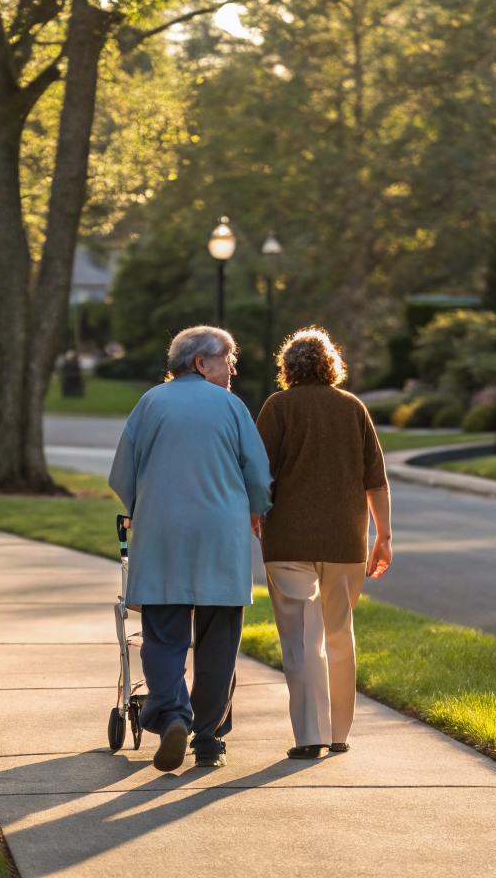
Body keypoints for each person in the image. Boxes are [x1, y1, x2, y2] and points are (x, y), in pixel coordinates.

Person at [108, 326, 272, 771]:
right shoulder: (233, 407)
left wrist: (148, 506)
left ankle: (174, 715)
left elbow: (121, 476)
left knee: (162, 637)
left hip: (162, 540)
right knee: (219, 642)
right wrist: (257, 511)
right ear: (201, 362)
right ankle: (208, 740)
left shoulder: (150, 403)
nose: (234, 367)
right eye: (228, 358)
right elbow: (258, 475)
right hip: (222, 540)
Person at [255, 328, 391, 760]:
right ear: (332, 364)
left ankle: (310, 735)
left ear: (288, 367)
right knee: (338, 632)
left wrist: (256, 514)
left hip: (289, 540)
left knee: (300, 639)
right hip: (345, 542)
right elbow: (376, 480)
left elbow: (259, 473)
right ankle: (338, 733)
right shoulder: (353, 408)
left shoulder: (278, 407)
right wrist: (383, 537)